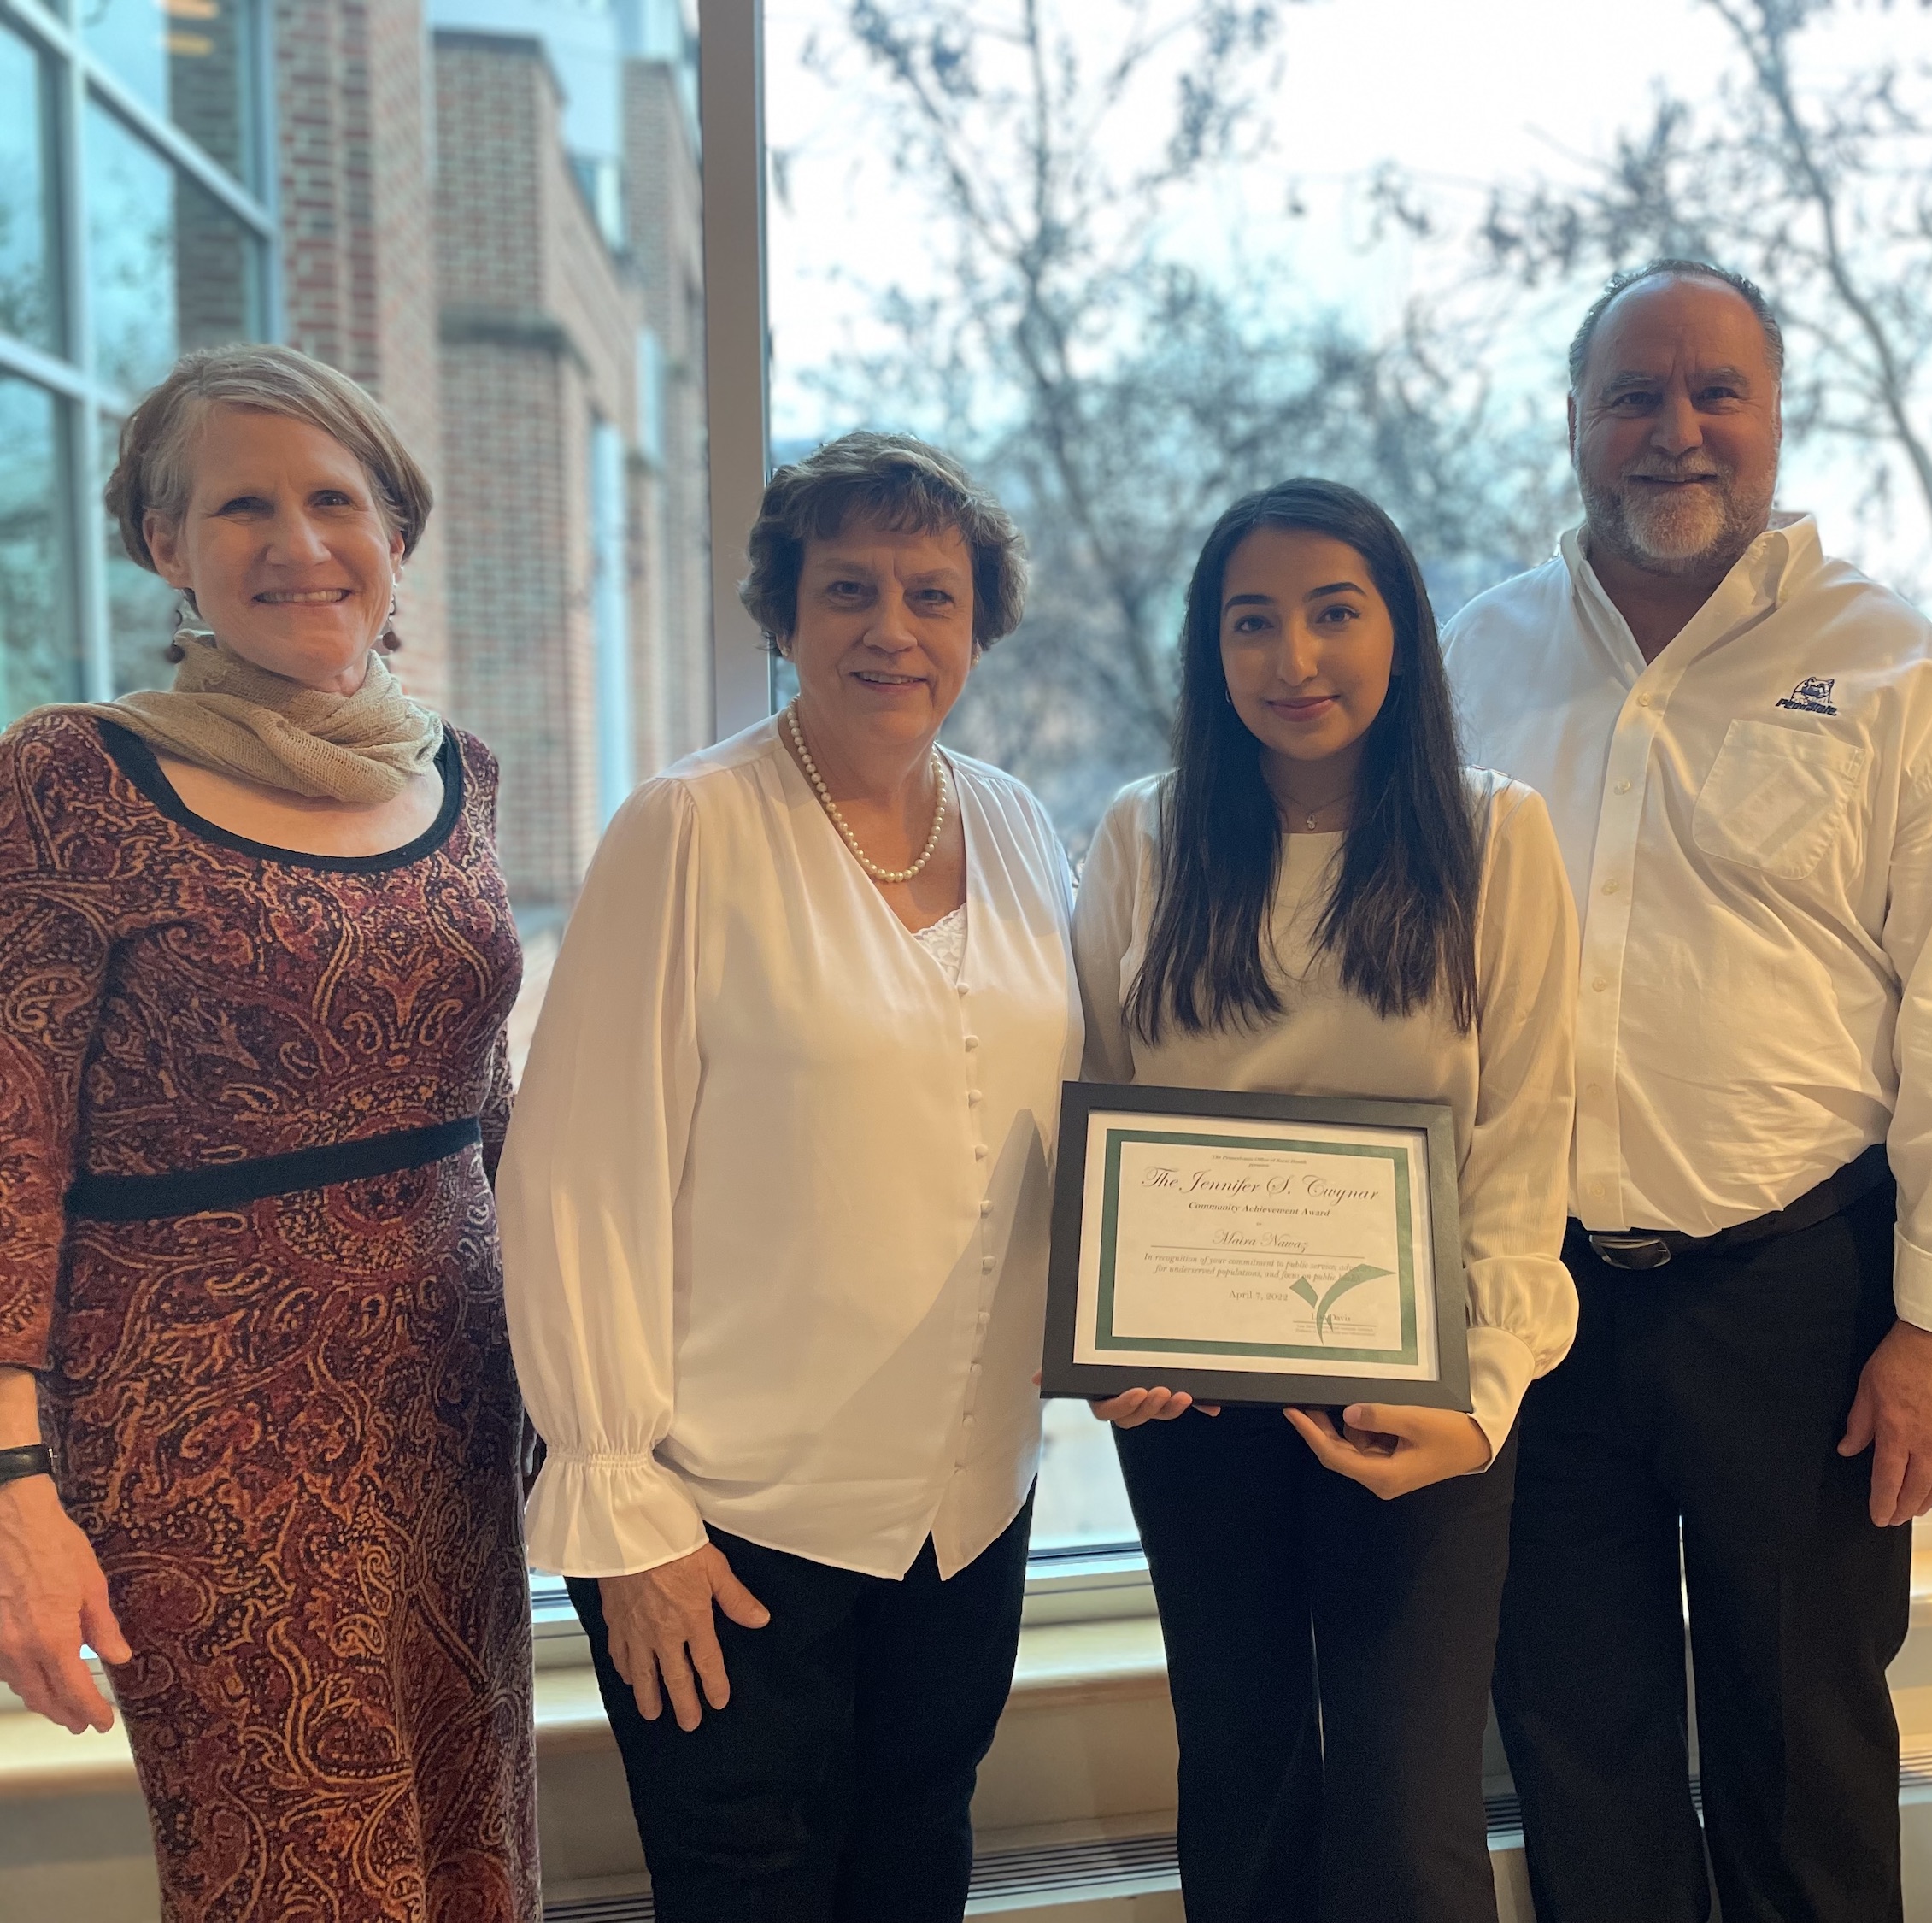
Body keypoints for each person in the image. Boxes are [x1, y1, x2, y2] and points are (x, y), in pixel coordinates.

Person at [1442, 260, 1932, 1923]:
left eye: (1718, 391)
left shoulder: (1893, 675)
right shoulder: (1467, 666)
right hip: (1535, 1298)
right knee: (1579, 1747)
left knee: (1808, 1758)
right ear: (1574, 423)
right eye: (1634, 394)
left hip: (1805, 1302)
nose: (1676, 429)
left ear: (1777, 420)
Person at [498, 432, 1081, 1923]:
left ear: (979, 622)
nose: (894, 630)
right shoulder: (688, 830)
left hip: (968, 1510)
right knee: (747, 1892)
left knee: (916, 1863)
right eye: (850, 590)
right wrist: (621, 1498)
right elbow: (578, 1177)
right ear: (783, 613)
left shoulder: (1016, 829)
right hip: (728, 1528)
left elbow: (1065, 1130)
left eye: (932, 595)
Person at [0, 344, 533, 1920]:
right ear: (166, 544)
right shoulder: (72, 778)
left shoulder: (463, 774)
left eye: (334, 499)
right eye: (243, 504)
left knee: (468, 1830)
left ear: (395, 532)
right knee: (295, 1870)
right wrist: (14, 1484)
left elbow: (483, 1095)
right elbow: (8, 1142)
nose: (300, 544)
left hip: (451, 1394)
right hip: (203, 1433)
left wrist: (582, 1365)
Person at [1076, 477, 1578, 1923]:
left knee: (1408, 1801)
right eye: (1253, 624)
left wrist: (1482, 1396)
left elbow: (1523, 1143)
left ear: (1403, 634)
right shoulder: (1145, 837)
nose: (1293, 659)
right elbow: (1097, 1113)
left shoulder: (1496, 838)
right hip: (1194, 1402)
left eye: (1333, 614)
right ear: (1208, 651)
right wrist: (1113, 1346)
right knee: (1239, 1777)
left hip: (1417, 1396)